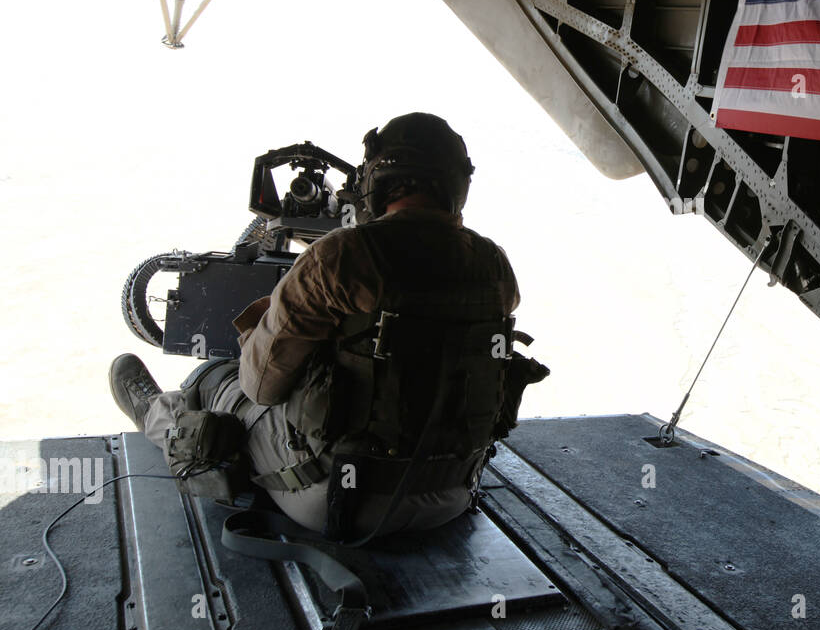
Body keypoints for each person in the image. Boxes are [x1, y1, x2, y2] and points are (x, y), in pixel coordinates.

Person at [108, 113, 523, 539]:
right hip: (452, 495)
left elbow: (260, 385)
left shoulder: (341, 256)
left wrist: (265, 326)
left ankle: (159, 416)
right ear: (456, 184)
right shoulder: (495, 265)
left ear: (377, 181)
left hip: (341, 501)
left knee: (216, 382)